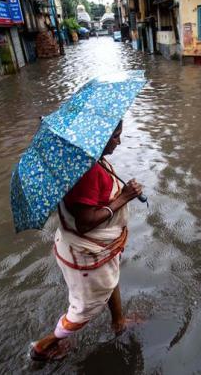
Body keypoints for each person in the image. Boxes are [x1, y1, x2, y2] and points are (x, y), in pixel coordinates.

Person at [30, 121, 143, 361]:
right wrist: (124, 197)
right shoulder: (88, 172)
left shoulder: (90, 161)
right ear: (99, 137)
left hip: (89, 247)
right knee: (84, 309)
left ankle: (118, 322)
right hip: (87, 251)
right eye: (114, 137)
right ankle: (42, 347)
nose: (118, 142)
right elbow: (84, 221)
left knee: (110, 280)